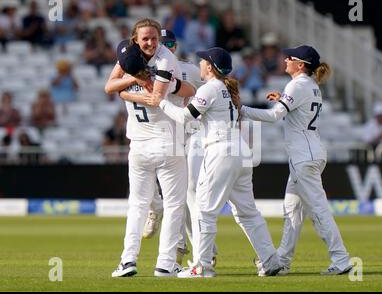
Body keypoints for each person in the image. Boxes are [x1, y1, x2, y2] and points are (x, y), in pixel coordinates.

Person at [145, 47, 282, 278]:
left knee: (204, 211)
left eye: (202, 61)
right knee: (248, 212)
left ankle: (202, 266)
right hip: (240, 151)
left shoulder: (210, 88)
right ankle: (270, 261)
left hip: (221, 151)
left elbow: (184, 116)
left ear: (209, 67)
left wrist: (161, 102)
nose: (199, 64)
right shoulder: (225, 89)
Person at [240, 45, 353, 275]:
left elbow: (273, 116)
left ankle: (341, 259)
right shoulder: (311, 85)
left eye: (290, 57)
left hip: (304, 157)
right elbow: (298, 111)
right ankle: (282, 260)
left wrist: (240, 109)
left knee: (319, 210)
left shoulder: (298, 84)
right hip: (310, 154)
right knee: (292, 209)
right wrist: (283, 99)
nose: (285, 60)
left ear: (300, 65)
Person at [104, 18, 195, 278]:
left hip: (151, 144)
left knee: (141, 205)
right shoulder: (137, 58)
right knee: (167, 205)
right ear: (135, 39)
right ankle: (156, 263)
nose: (151, 43)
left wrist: (126, 90)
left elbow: (146, 96)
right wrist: (132, 83)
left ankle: (131, 260)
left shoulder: (160, 60)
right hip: (158, 144)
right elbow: (114, 88)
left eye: (154, 38)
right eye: (145, 38)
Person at [141, 29, 219, 266]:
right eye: (165, 43)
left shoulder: (191, 69)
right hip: (161, 134)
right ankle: (173, 233)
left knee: (187, 196)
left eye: (171, 43)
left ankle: (194, 249)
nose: (169, 47)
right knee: (169, 192)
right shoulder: (146, 69)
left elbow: (209, 90)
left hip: (190, 137)